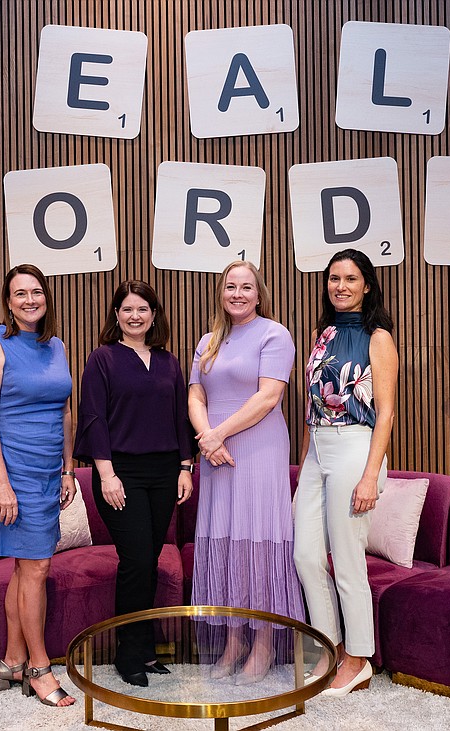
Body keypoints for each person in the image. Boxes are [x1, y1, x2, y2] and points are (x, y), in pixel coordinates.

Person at [188, 260, 305, 684]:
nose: (237, 294)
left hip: (256, 448)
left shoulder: (275, 334)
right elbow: (195, 394)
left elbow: (268, 398)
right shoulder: (208, 340)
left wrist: (216, 434)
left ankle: (262, 647)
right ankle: (233, 643)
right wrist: (207, 438)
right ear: (221, 293)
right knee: (227, 541)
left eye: (246, 287)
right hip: (215, 452)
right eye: (230, 286)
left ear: (259, 293)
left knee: (256, 543)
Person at [74, 281, 195, 687]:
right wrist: (106, 475)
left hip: (164, 474)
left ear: (154, 315)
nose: (135, 316)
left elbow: (181, 417)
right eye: (127, 309)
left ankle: (145, 650)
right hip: (119, 474)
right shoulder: (102, 359)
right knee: (136, 562)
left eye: (143, 309)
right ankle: (128, 655)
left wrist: (185, 467)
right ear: (116, 316)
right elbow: (93, 419)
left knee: (149, 561)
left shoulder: (168, 362)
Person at [293, 249, 398, 697]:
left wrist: (371, 475)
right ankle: (329, 649)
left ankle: (358, 660)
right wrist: (302, 466)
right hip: (317, 450)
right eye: (334, 278)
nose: (341, 286)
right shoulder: (322, 332)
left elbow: (387, 411)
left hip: (357, 448)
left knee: (348, 561)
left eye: (350, 278)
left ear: (367, 285)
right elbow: (311, 406)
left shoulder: (379, 338)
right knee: (305, 556)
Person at [0, 264, 76, 708]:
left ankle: (11, 660)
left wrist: (69, 469)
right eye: (20, 294)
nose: (30, 300)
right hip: (15, 474)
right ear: (7, 302)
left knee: (26, 568)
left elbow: (66, 412)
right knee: (36, 569)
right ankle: (38, 667)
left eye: (37, 292)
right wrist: (1, 484)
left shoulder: (57, 346)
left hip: (51, 472)